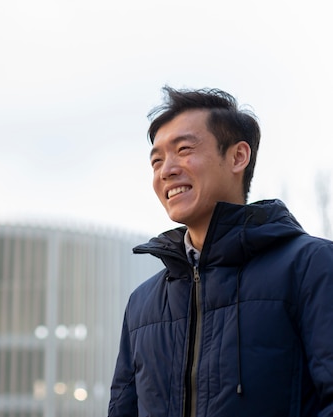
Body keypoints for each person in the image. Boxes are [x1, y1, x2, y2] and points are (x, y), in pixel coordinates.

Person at [108, 86, 333, 417]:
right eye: (156, 160)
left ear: (238, 157)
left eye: (184, 149)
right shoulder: (142, 303)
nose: (166, 170)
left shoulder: (311, 267)